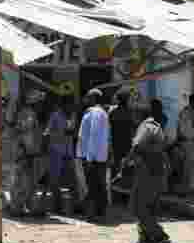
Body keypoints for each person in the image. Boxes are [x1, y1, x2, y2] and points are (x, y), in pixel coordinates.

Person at [125, 106, 172, 243]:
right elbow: (162, 151)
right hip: (157, 172)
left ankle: (158, 234)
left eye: (134, 114)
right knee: (148, 206)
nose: (133, 117)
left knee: (138, 206)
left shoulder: (145, 127)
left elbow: (137, 146)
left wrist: (127, 161)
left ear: (140, 116)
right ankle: (145, 237)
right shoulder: (156, 128)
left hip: (147, 172)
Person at [10, 90, 46, 217]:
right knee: (23, 182)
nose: (42, 105)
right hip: (25, 154)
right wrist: (30, 153)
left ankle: (28, 206)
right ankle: (17, 208)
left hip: (24, 153)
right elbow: (26, 135)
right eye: (40, 102)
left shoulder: (26, 113)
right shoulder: (28, 114)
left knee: (28, 183)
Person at [77, 88, 110, 221]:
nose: (86, 99)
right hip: (99, 155)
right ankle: (100, 212)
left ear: (94, 99)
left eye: (88, 97)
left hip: (93, 157)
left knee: (93, 185)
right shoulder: (101, 112)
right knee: (98, 185)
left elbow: (93, 135)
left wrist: (90, 158)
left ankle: (93, 214)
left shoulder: (95, 113)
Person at [45, 95, 73, 214]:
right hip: (56, 150)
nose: (71, 107)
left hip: (68, 151)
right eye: (69, 104)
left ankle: (66, 206)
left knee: (67, 181)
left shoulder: (71, 116)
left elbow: (72, 132)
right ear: (64, 105)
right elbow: (47, 132)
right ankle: (57, 206)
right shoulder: (55, 115)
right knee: (55, 180)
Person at [176, 89, 194, 196]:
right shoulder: (185, 113)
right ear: (191, 101)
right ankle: (188, 189)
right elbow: (184, 130)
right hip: (188, 143)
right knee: (189, 167)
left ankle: (193, 189)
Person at [108, 90, 137, 195]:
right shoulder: (129, 112)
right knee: (126, 168)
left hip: (117, 144)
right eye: (127, 99)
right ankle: (124, 193)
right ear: (124, 100)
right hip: (126, 144)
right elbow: (134, 127)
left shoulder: (113, 112)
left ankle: (116, 193)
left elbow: (109, 128)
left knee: (116, 168)